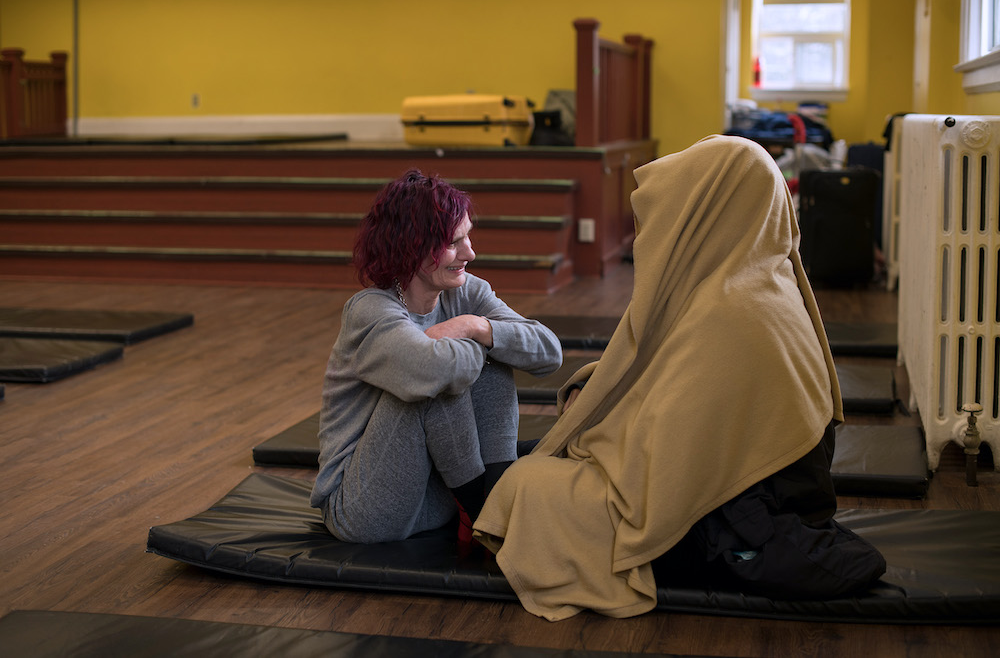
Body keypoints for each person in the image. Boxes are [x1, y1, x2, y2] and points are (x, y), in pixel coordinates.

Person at [474, 135, 886, 621]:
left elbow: (668, 457)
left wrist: (595, 435)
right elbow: (673, 388)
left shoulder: (730, 309)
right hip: (759, 496)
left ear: (703, 212)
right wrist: (596, 393)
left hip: (727, 516)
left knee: (529, 483)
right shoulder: (760, 280)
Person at [310, 169, 563, 544]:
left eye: (468, 237)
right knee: (433, 380)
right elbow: (432, 369)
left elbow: (548, 351)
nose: (470, 253)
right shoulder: (369, 311)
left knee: (491, 357)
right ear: (412, 247)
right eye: (453, 242)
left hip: (439, 496)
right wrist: (477, 342)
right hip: (364, 508)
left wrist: (474, 327)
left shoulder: (467, 294)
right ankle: (489, 517)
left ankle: (494, 505)